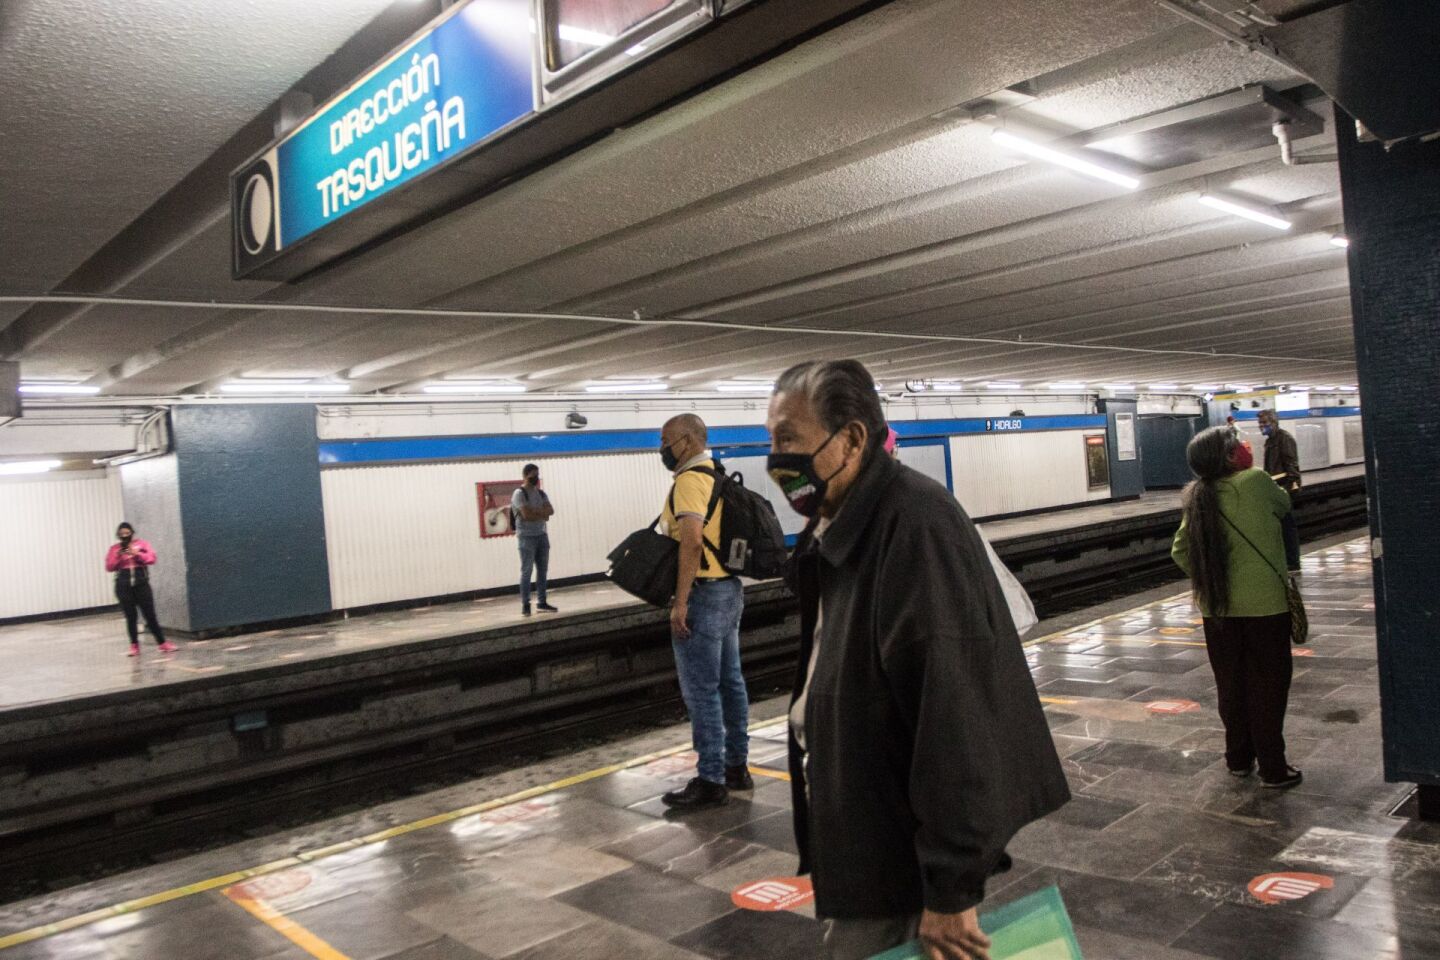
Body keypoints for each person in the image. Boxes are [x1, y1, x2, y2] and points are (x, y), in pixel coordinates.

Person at [767, 361, 1069, 960]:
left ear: (852, 438)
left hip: (897, 854)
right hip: (867, 824)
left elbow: (956, 712)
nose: (776, 460)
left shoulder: (915, 526)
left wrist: (951, 886)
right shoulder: (850, 520)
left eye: (787, 439)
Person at [1172, 426, 1302, 789]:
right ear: (1229, 456)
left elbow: (1180, 551)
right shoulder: (1256, 481)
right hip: (1265, 607)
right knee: (1268, 687)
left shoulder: (1198, 496)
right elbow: (1284, 504)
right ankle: (1273, 768)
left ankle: (1238, 759)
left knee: (1231, 685)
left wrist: (1213, 576)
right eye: (1238, 445)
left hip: (1217, 610)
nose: (1245, 447)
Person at [657, 413, 751, 810]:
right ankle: (736, 768)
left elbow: (692, 542)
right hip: (729, 589)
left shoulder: (689, 481)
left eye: (665, 441)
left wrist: (680, 601)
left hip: (704, 594)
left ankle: (711, 780)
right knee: (731, 682)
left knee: (702, 691)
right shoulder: (718, 476)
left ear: (687, 441)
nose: (662, 449)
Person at [105, 522, 177, 657]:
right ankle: (134, 646)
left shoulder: (142, 544)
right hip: (123, 586)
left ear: (132, 533)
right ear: (118, 535)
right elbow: (109, 567)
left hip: (141, 584)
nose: (125, 536)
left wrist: (136, 554)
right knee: (130, 616)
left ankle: (162, 643)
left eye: (127, 533)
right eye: (121, 534)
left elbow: (151, 559)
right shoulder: (114, 549)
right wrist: (118, 556)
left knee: (150, 615)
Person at [1257, 409, 1302, 572]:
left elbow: (1292, 465)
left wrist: (1290, 488)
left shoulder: (1284, 439)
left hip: (1284, 488)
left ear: (1274, 422)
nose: (1261, 426)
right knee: (1280, 527)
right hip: (1275, 488)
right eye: (1260, 423)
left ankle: (1293, 562)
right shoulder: (1271, 440)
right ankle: (1285, 560)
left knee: (1287, 527)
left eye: (1264, 423)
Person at [511, 464, 557, 617]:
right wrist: (541, 513)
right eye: (533, 476)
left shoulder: (541, 493)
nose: (536, 478)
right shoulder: (519, 493)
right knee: (527, 570)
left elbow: (551, 511)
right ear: (525, 476)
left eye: (537, 475)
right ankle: (526, 604)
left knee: (542, 570)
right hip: (526, 537)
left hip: (542, 535)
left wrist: (536, 512)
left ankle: (542, 602)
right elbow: (526, 515)